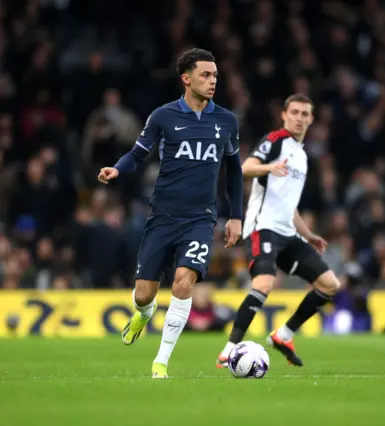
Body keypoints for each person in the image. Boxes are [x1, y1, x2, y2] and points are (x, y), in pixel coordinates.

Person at [97, 48, 244, 378]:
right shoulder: (163, 116)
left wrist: (236, 215)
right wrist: (118, 169)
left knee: (182, 282)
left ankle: (160, 361)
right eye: (205, 75)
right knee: (144, 293)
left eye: (215, 76)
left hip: (200, 219)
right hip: (163, 216)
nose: (212, 81)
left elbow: (234, 170)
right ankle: (145, 313)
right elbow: (137, 154)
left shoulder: (226, 121)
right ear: (186, 78)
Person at [216, 94, 341, 368]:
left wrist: (308, 234)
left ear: (311, 119)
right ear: (284, 115)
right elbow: (244, 168)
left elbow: (290, 205)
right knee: (264, 283)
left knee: (330, 284)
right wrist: (268, 167)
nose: (299, 118)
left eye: (304, 114)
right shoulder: (275, 140)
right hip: (263, 227)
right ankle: (229, 350)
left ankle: (283, 336)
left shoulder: (302, 156)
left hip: (288, 233)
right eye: (294, 112)